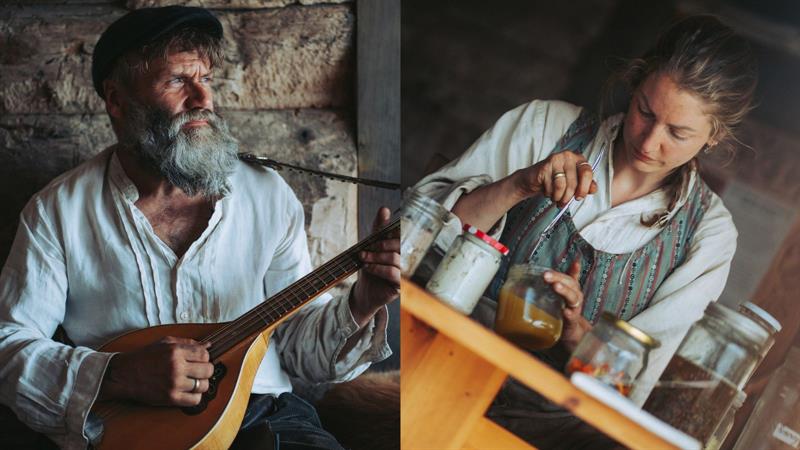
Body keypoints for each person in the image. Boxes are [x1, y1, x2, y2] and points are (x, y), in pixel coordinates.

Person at [0, 6, 400, 450]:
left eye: (205, 78)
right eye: (177, 80)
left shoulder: (266, 194)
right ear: (116, 100)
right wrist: (118, 375)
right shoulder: (58, 212)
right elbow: (8, 349)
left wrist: (362, 303)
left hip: (263, 416)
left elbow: (296, 347)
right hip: (132, 429)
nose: (202, 99)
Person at [412, 15, 756, 449]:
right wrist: (519, 185)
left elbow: (642, 384)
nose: (649, 141)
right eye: (644, 111)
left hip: (553, 430)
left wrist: (578, 333)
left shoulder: (707, 234)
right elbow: (419, 237)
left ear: (714, 136)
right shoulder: (545, 126)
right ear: (635, 84)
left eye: (677, 132)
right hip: (437, 360)